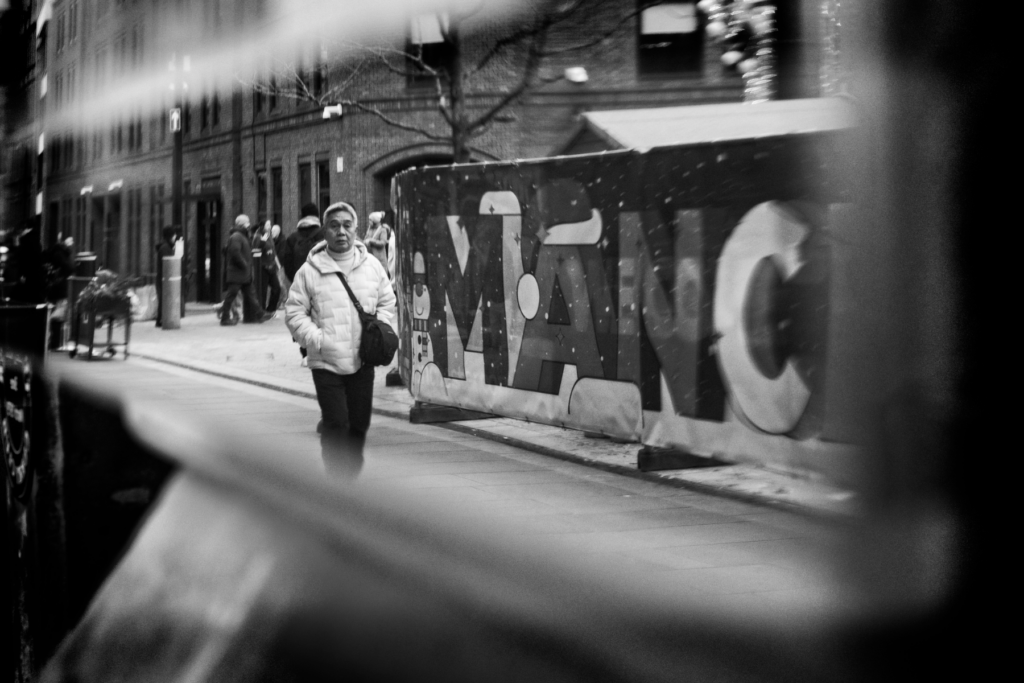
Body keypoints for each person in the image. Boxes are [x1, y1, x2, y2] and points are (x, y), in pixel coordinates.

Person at [285, 201, 396, 478]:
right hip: (326, 361)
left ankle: (350, 477)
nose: (341, 232)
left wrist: (378, 330)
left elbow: (387, 300)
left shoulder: (371, 265)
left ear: (356, 229)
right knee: (336, 424)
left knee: (358, 426)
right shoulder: (309, 270)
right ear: (325, 231)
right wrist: (316, 339)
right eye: (334, 226)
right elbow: (294, 312)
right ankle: (338, 484)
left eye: (347, 225)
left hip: (362, 360)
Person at [279, 203, 325, 364]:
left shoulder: (292, 238)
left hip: (300, 284)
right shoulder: (324, 234)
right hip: (322, 282)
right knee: (321, 314)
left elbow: (288, 263)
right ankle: (321, 348)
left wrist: (297, 280)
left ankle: (305, 352)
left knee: (301, 315)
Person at [220, 214, 272, 326]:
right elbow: (235, 252)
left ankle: (259, 314)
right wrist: (244, 264)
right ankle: (225, 318)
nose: (249, 226)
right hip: (237, 272)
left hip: (243, 273)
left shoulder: (242, 236)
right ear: (241, 225)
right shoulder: (237, 236)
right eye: (247, 224)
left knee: (251, 294)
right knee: (231, 295)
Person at [253, 220, 282, 314]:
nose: (270, 226)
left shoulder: (269, 236)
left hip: (271, 266)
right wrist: (262, 241)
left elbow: (273, 251)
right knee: (263, 291)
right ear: (262, 226)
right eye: (268, 225)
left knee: (277, 288)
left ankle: (271, 309)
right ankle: (262, 311)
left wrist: (277, 264)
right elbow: (255, 251)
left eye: (270, 224)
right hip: (263, 267)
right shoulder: (258, 236)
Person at [154, 226, 178, 327]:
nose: (175, 237)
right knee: (165, 298)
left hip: (162, 278)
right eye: (174, 235)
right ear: (170, 236)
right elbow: (169, 263)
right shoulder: (165, 248)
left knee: (163, 298)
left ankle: (160, 320)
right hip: (164, 278)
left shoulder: (166, 247)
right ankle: (161, 320)